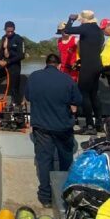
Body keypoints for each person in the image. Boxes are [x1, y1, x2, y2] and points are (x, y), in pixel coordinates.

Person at [25, 54, 82, 208]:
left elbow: (28, 97)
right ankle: (65, 194)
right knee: (65, 159)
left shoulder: (34, 77)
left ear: (46, 64)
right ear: (59, 65)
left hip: (41, 127)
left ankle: (45, 197)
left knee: (44, 161)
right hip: (63, 127)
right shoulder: (67, 79)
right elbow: (77, 100)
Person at [64, 10, 104, 134]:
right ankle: (99, 123)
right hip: (97, 64)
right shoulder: (98, 29)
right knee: (94, 95)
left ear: (84, 19)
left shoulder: (86, 27)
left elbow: (68, 30)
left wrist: (71, 19)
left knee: (84, 95)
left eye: (81, 19)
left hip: (88, 66)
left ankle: (89, 126)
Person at [0, 21, 25, 106]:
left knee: (14, 88)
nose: (10, 33)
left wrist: (7, 62)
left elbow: (22, 55)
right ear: (5, 30)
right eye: (8, 31)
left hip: (14, 66)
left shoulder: (19, 39)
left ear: (14, 30)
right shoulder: (3, 38)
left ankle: (15, 103)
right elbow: (1, 53)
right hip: (3, 65)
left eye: (12, 31)